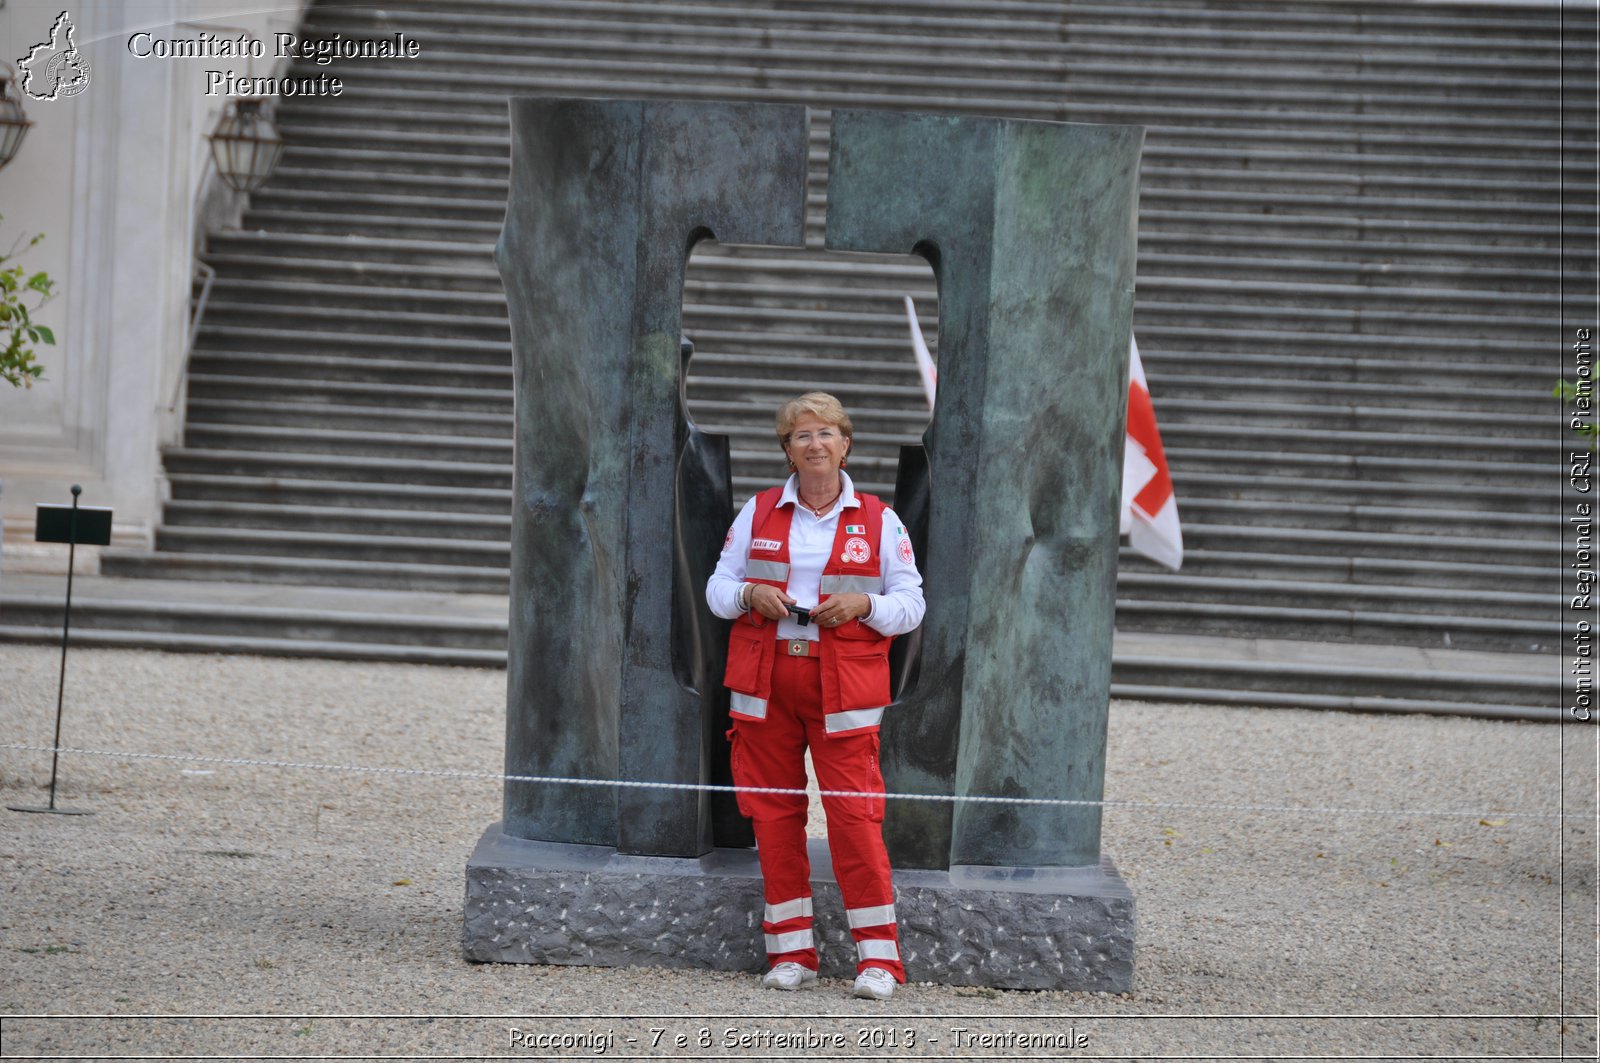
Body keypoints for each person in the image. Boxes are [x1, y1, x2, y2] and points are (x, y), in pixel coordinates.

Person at [706, 392, 926, 1001]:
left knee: (855, 820)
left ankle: (879, 962)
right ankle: (791, 951)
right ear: (787, 449)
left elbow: (912, 604)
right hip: (764, 684)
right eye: (801, 435)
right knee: (774, 818)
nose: (815, 444)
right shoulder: (757, 512)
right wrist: (749, 596)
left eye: (826, 432)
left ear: (845, 444)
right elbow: (716, 590)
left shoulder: (881, 521)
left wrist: (866, 605)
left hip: (843, 689)